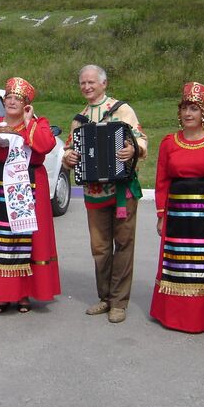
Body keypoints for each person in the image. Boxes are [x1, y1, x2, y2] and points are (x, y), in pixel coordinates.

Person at [0, 77, 61, 313]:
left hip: (27, 189)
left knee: (24, 242)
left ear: (27, 104)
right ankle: (0, 294)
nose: (11, 101)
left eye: (17, 98)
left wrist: (29, 122)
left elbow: (44, 146)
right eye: (8, 97)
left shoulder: (38, 124)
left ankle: (24, 294)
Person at [61, 64, 147, 324]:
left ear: (104, 84)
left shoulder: (122, 110)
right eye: (82, 83)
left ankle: (119, 302)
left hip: (122, 192)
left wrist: (133, 150)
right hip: (94, 192)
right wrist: (70, 157)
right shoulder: (80, 119)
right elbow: (67, 151)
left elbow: (141, 139)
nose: (87, 87)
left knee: (123, 245)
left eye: (91, 82)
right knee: (99, 248)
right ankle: (105, 297)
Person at [149, 82, 204, 333]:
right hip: (178, 216)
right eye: (185, 108)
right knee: (178, 264)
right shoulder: (169, 143)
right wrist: (161, 214)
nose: (188, 114)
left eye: (194, 109)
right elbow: (162, 180)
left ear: (203, 113)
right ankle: (175, 315)